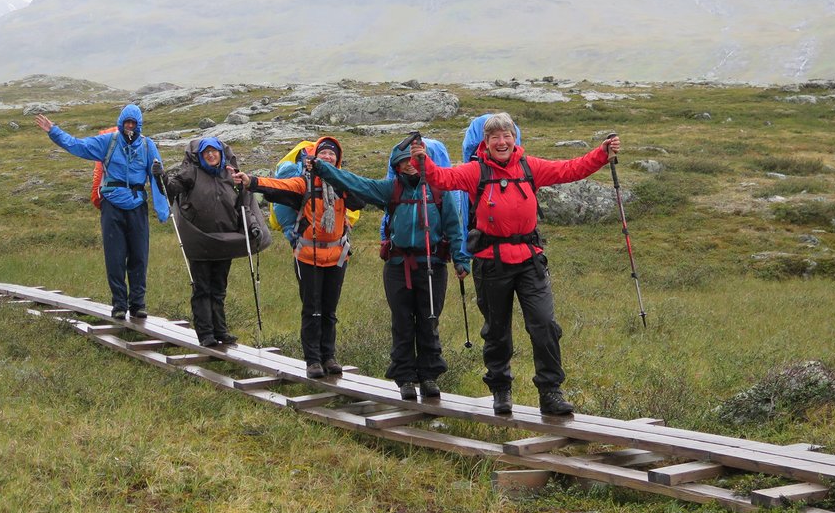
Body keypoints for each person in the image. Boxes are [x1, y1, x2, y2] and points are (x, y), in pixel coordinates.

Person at [411, 113, 620, 415]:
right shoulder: (474, 171)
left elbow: (570, 169)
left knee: (545, 325)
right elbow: (444, 178)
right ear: (486, 142)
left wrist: (601, 154)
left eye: (506, 135)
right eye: (495, 137)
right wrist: (424, 162)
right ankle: (500, 391)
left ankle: (551, 393)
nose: (502, 141)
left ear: (514, 138)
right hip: (490, 264)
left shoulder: (530, 167)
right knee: (496, 332)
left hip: (530, 262)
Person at [310, 139, 471, 401]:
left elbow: (454, 225)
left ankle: (428, 377)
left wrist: (461, 259)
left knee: (429, 321)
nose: (410, 165)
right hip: (398, 267)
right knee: (403, 323)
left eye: (414, 159)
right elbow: (356, 183)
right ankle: (405, 378)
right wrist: (323, 169)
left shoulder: (439, 189)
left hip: (433, 266)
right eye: (404, 160)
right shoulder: (390, 189)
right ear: (396, 165)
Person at [233, 137, 365, 378]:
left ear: (338, 159)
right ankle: (313, 360)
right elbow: (276, 186)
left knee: (330, 310)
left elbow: (361, 199)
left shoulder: (343, 184)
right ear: (315, 157)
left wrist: (342, 185)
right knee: (312, 309)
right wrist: (250, 181)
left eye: (332, 155)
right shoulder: (303, 183)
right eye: (323, 154)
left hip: (337, 256)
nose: (328, 157)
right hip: (308, 255)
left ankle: (329, 357)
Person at [35, 105, 169, 320]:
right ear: (121, 122)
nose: (130, 127)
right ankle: (119, 305)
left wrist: (162, 209)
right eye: (127, 122)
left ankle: (138, 304)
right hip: (112, 206)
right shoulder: (109, 141)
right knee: (114, 257)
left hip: (137, 205)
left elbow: (157, 177)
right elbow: (77, 146)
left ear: (139, 124)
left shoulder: (147, 145)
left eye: (133, 123)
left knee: (139, 256)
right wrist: (54, 131)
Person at [164, 136, 270, 347]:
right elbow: (172, 189)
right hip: (200, 240)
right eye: (206, 152)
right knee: (202, 287)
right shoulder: (191, 172)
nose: (211, 155)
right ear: (200, 156)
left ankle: (220, 331)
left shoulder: (231, 175)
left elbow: (244, 206)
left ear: (221, 154)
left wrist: (253, 227)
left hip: (224, 242)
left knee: (219, 288)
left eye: (214, 151)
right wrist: (162, 178)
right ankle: (206, 334)